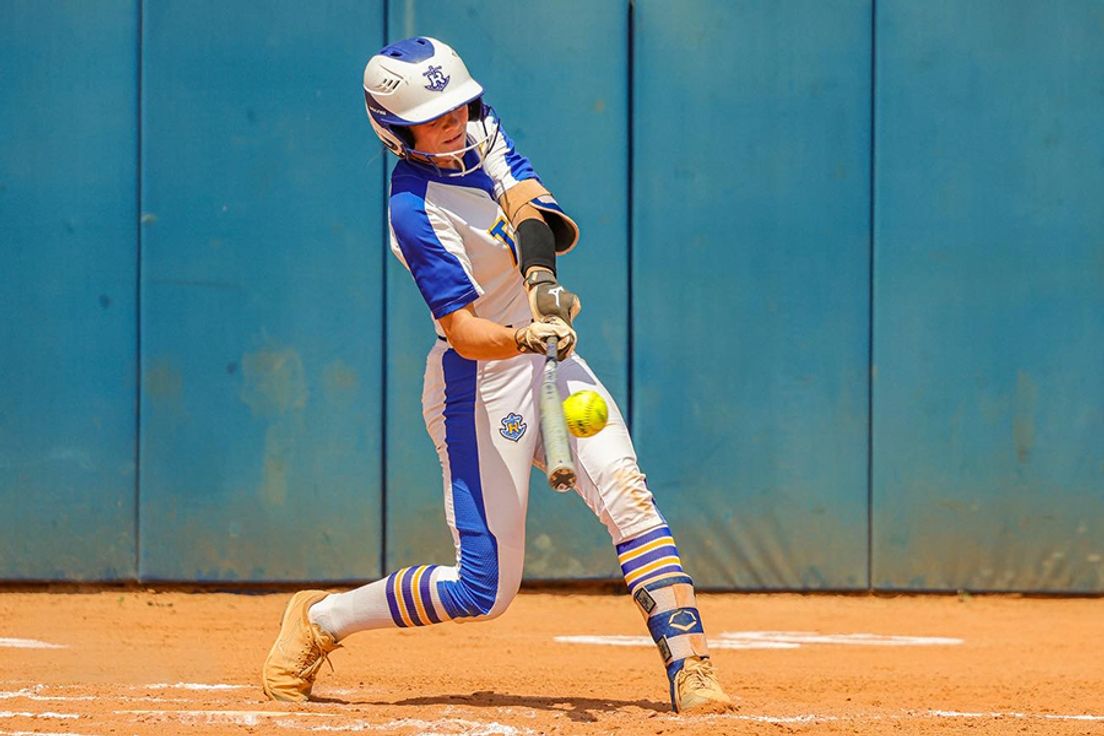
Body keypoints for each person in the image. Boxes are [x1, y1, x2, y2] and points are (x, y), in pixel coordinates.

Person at [261, 36, 734, 715]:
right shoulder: (412, 212)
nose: (454, 119)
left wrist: (540, 283)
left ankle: (693, 671)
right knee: (483, 592)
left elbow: (527, 202)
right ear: (396, 131)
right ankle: (322, 620)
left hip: (551, 360)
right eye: (435, 113)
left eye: (458, 103)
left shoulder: (478, 130)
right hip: (476, 388)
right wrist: (521, 333)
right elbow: (463, 332)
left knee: (627, 492)